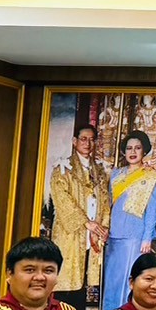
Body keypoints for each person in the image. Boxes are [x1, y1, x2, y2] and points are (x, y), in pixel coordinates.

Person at [102, 130, 156, 310]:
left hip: (136, 236)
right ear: (124, 151)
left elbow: (153, 210)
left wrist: (146, 238)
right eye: (129, 148)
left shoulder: (153, 177)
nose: (133, 152)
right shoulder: (116, 175)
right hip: (114, 235)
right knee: (112, 281)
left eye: (137, 148)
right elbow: (108, 204)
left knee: (129, 281)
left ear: (144, 151)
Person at [46, 122, 111, 297]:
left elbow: (105, 202)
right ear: (74, 141)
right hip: (72, 233)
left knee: (84, 281)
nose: (87, 143)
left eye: (91, 139)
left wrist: (102, 227)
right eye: (83, 139)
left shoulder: (99, 171)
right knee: (67, 282)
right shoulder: (63, 169)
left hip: (93, 234)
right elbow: (62, 199)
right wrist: (85, 222)